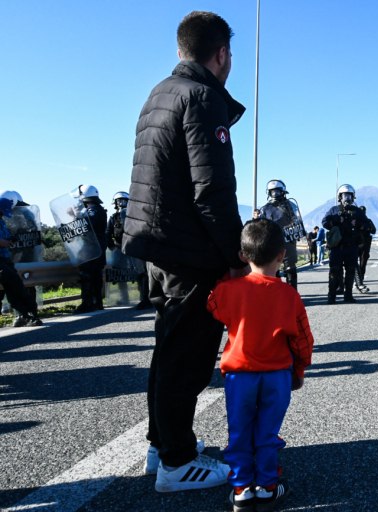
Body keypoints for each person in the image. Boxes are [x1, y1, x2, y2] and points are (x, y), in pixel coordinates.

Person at [122, 11, 246, 492]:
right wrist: (237, 260)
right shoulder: (202, 98)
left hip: (157, 243)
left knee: (168, 349)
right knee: (188, 357)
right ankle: (177, 462)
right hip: (189, 248)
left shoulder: (159, 93)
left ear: (181, 51)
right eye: (229, 54)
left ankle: (161, 446)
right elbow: (211, 192)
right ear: (221, 54)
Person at [207, 219, 313, 511]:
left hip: (239, 376)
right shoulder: (289, 295)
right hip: (277, 375)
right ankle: (267, 485)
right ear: (282, 255)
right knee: (267, 432)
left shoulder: (230, 290)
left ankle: (241, 488)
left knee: (240, 431)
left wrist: (224, 281)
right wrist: (299, 370)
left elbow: (213, 306)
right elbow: (303, 339)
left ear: (243, 256)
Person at [0, 198, 42, 327]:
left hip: (5, 260)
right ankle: (26, 314)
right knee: (14, 284)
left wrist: (10, 239)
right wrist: (3, 243)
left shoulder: (1, 221)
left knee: (15, 287)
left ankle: (26, 315)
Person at [322, 185, 368, 303]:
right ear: (339, 197)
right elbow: (324, 222)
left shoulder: (357, 211)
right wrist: (336, 221)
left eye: (349, 195)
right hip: (337, 247)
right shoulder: (334, 210)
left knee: (351, 271)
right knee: (334, 271)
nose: (346, 198)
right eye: (344, 195)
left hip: (351, 246)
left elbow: (367, 226)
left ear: (353, 197)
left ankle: (348, 296)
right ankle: (331, 296)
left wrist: (357, 224)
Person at [106, 191, 151, 309]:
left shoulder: (135, 215)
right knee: (119, 274)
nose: (121, 203)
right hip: (118, 248)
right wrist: (111, 246)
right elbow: (107, 232)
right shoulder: (113, 217)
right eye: (118, 201)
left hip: (133, 248)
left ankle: (144, 298)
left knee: (140, 272)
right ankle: (124, 298)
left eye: (123, 200)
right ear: (115, 203)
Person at [259, 179, 306, 290]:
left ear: (283, 191)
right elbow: (261, 225)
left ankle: (292, 294)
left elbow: (297, 220)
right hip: (273, 242)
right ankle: (275, 295)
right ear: (268, 193)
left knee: (290, 268)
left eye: (277, 191)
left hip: (289, 239)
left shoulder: (291, 205)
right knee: (272, 269)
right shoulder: (265, 208)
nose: (275, 194)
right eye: (272, 191)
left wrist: (299, 232)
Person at [74, 184, 107, 313]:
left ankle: (88, 303)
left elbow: (88, 226)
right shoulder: (96, 210)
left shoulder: (93, 211)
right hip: (95, 249)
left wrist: (77, 215)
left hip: (92, 250)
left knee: (88, 276)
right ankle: (96, 302)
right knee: (95, 276)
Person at [356, 206, 377, 291]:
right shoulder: (355, 221)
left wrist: (366, 228)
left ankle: (361, 280)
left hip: (365, 246)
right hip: (356, 245)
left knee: (363, 264)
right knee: (354, 264)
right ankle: (357, 281)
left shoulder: (368, 221)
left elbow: (374, 230)